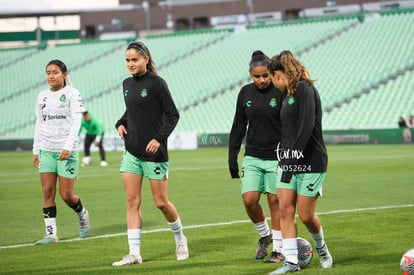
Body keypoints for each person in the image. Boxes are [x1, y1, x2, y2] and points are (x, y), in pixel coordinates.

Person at [112, 41, 188, 266]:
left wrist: (158, 138)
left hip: (154, 155)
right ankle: (134, 253)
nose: (130, 64)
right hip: (132, 152)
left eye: (134, 59)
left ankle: (180, 238)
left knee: (161, 202)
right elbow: (132, 111)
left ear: (146, 59)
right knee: (131, 201)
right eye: (127, 60)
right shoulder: (126, 84)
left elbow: (172, 115)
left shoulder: (157, 84)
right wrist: (120, 123)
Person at [267, 50, 333, 274]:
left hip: (311, 161)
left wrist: (291, 161)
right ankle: (292, 263)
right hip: (288, 161)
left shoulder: (306, 89)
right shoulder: (286, 96)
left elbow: (306, 129)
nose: (274, 85)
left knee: (305, 214)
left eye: (273, 79)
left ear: (278, 74)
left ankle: (322, 249)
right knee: (285, 209)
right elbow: (287, 133)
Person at [228, 50, 285, 263]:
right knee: (249, 200)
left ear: (271, 73)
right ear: (250, 75)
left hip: (277, 156)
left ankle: (278, 249)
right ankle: (265, 235)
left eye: (265, 76)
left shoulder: (280, 92)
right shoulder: (244, 93)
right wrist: (232, 156)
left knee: (274, 201)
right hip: (252, 155)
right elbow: (239, 125)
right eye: (256, 76)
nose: (261, 80)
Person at [32, 59, 90, 244]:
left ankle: (82, 214)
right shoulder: (42, 96)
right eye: (48, 72)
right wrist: (35, 150)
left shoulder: (72, 94)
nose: (51, 75)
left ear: (64, 74)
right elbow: (39, 123)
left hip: (67, 150)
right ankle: (51, 234)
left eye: (55, 72)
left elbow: (77, 121)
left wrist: (67, 145)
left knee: (66, 195)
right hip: (46, 150)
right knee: (48, 191)